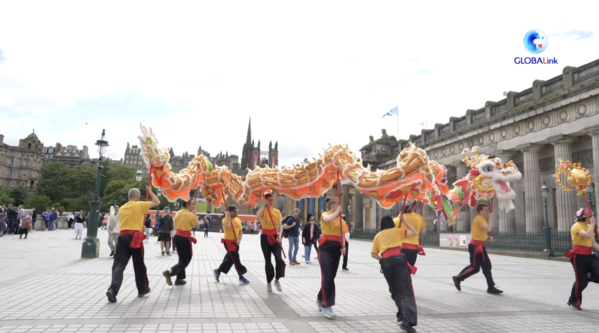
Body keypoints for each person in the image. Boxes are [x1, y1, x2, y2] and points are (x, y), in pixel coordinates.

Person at [106, 186, 160, 303]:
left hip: (122, 237)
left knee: (118, 266)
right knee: (139, 265)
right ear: (138, 196)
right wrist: (150, 191)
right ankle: (142, 289)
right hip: (135, 238)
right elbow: (157, 201)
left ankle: (113, 290)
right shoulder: (139, 205)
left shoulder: (123, 208)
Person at [371, 215, 419, 333]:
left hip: (387, 264)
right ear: (392, 223)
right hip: (399, 261)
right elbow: (414, 232)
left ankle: (401, 314)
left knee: (395, 291)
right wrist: (404, 221)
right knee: (406, 291)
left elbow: (373, 254)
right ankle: (407, 321)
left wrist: (382, 259)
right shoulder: (397, 231)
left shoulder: (378, 236)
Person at [452, 203, 503, 294]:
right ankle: (458, 278)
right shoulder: (480, 219)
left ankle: (491, 287)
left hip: (480, 246)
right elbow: (488, 228)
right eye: (486, 210)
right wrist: (491, 219)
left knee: (487, 266)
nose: (488, 212)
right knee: (475, 268)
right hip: (476, 247)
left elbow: (478, 232)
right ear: (480, 211)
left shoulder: (481, 219)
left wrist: (486, 238)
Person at [316, 198, 347, 319]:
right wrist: (336, 212)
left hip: (336, 248)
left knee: (331, 276)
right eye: (338, 206)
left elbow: (342, 234)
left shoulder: (341, 221)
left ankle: (320, 298)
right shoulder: (325, 214)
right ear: (333, 206)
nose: (341, 209)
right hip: (325, 248)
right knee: (327, 275)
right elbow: (328, 220)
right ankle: (326, 305)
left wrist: (343, 246)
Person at [565, 208, 599, 310]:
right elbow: (587, 234)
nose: (592, 218)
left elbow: (593, 243)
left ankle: (588, 276)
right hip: (578, 257)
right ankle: (573, 301)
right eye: (590, 217)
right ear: (587, 217)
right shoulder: (576, 226)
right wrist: (593, 224)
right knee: (581, 282)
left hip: (589, 255)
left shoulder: (588, 226)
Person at [162, 198, 198, 287]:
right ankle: (170, 272)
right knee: (186, 259)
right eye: (193, 204)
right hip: (185, 238)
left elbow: (175, 225)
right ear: (187, 204)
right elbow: (197, 225)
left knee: (181, 258)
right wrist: (195, 214)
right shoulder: (190, 215)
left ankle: (179, 279)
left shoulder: (178, 213)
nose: (194, 206)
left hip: (177, 237)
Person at [255, 192, 286, 292]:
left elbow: (280, 226)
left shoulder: (277, 212)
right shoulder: (263, 210)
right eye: (269, 200)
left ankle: (277, 279)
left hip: (275, 237)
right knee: (268, 260)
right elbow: (257, 218)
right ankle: (269, 281)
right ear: (266, 200)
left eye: (272, 200)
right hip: (265, 237)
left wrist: (280, 236)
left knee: (278, 259)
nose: (271, 202)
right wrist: (263, 205)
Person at [214, 205, 250, 284]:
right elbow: (228, 225)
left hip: (236, 242)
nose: (235, 212)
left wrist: (239, 240)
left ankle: (218, 270)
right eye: (233, 211)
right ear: (229, 211)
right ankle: (241, 276)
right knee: (236, 259)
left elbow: (240, 231)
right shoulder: (225, 219)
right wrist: (228, 216)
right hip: (228, 242)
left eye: (235, 211)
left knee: (230, 259)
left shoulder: (238, 219)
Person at [393, 201, 426, 266]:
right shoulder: (419, 218)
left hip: (399, 247)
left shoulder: (395, 220)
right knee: (409, 268)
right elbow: (423, 232)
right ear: (411, 208)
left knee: (400, 269)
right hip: (413, 248)